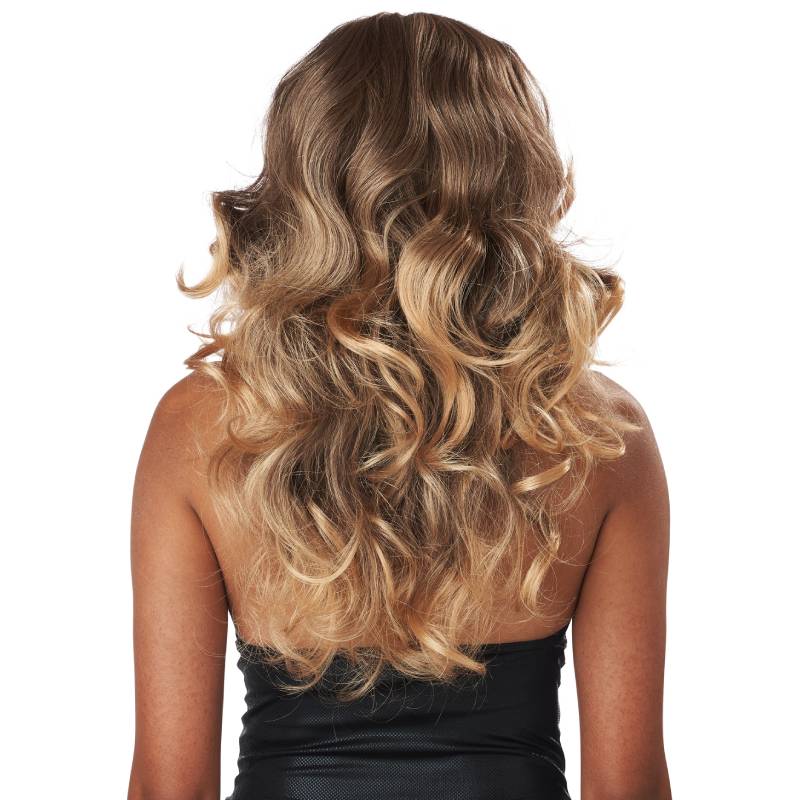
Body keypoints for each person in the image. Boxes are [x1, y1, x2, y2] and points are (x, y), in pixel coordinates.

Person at [128, 11, 671, 800]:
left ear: (303, 184)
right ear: (514, 179)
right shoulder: (595, 434)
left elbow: (167, 789)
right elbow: (629, 788)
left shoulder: (204, 427)